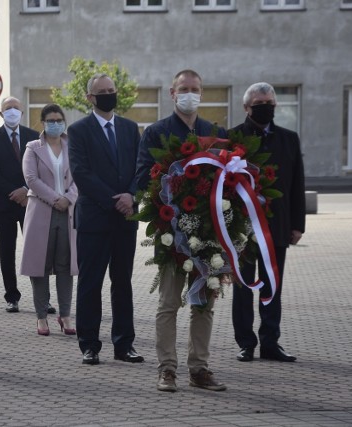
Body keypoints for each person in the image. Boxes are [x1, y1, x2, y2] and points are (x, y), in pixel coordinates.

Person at [136, 69, 228, 392]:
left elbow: (227, 182)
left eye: (195, 89)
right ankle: (167, 369)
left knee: (204, 302)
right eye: (183, 89)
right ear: (172, 94)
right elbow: (142, 179)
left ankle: (199, 369)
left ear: (202, 93)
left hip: (208, 235)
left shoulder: (214, 132)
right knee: (169, 303)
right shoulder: (156, 133)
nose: (190, 94)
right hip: (170, 231)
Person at [68, 73, 143, 366]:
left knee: (122, 282)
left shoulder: (129, 128)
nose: (109, 95)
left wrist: (132, 196)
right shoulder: (79, 130)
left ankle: (124, 344)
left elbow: (141, 166)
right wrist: (116, 200)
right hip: (95, 219)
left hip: (126, 220)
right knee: (90, 283)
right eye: (102, 91)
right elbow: (81, 172)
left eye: (112, 90)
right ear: (90, 98)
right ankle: (89, 345)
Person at [232, 82, 306, 363]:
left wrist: (298, 225)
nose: (266, 108)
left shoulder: (289, 139)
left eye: (270, 104)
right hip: (242, 229)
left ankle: (270, 342)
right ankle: (245, 343)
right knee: (243, 287)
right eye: (260, 104)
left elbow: (297, 184)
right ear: (246, 107)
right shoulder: (232, 138)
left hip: (277, 227)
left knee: (272, 286)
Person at [0, 96, 56, 315]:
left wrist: (26, 190)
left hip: (32, 202)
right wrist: (14, 192)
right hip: (5, 204)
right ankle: (12, 297)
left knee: (38, 251)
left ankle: (43, 299)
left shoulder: (34, 137)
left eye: (16, 108)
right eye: (8, 109)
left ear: (22, 112)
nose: (12, 111)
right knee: (7, 252)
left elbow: (42, 168)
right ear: (1, 114)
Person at [20, 104, 78, 336]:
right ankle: (41, 317)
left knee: (66, 265)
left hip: (68, 212)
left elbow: (79, 177)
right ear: (43, 123)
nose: (55, 123)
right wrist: (56, 199)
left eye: (59, 119)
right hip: (42, 211)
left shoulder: (71, 147)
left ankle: (65, 314)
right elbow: (31, 179)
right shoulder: (33, 148)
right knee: (40, 266)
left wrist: (69, 198)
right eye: (51, 120)